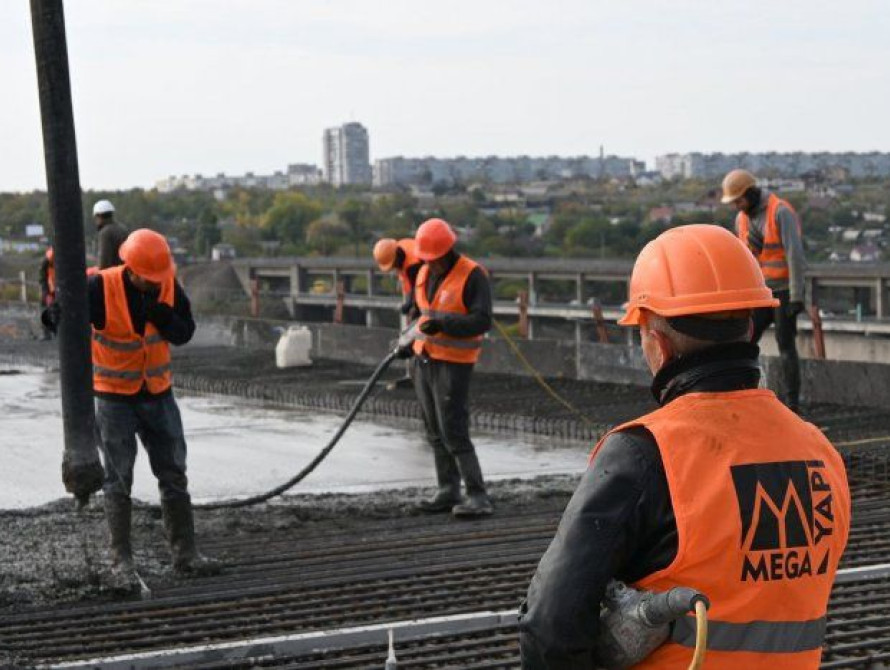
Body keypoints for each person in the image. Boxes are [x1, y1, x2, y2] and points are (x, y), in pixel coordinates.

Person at [519, 224, 850, 669]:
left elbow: (550, 629)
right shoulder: (820, 452)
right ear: (750, 326)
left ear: (657, 342)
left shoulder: (644, 453)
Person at [46, 228, 218, 590]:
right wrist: (56, 315)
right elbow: (65, 320)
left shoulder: (168, 285)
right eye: (148, 279)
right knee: (117, 479)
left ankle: (186, 555)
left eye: (159, 278)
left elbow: (185, 331)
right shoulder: (100, 288)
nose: (156, 284)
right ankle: (120, 561)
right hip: (114, 398)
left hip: (158, 393)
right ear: (130, 267)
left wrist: (164, 317)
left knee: (173, 473)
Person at [400, 218, 494, 518]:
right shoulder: (425, 271)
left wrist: (444, 324)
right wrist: (407, 339)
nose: (430, 263)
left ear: (447, 250)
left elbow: (482, 321)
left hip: (454, 365)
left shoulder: (472, 275)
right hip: (423, 359)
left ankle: (477, 495)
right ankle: (447, 489)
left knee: (453, 430)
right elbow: (421, 312)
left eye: (434, 258)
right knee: (434, 430)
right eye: (426, 259)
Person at [722, 169, 806, 412]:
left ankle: (793, 405)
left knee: (786, 345)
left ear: (750, 193)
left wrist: (797, 295)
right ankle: (741, 396)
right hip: (759, 294)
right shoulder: (742, 218)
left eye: (739, 200)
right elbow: (744, 258)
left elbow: (795, 255)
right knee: (745, 342)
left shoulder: (780, 212)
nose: (737, 206)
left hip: (783, 292)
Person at [373, 237, 423, 319]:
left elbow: (419, 288)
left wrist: (413, 306)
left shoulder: (414, 265)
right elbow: (407, 283)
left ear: (396, 257)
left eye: (393, 265)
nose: (394, 268)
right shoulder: (400, 246)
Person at [92, 199, 128, 270]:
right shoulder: (123, 229)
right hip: (125, 272)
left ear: (99, 216)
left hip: (112, 275)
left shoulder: (105, 233)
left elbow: (104, 262)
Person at [38, 246, 56, 340]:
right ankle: (46, 333)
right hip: (50, 286)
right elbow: (42, 277)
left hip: (61, 286)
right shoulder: (47, 259)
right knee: (44, 307)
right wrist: (47, 293)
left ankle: (57, 332)